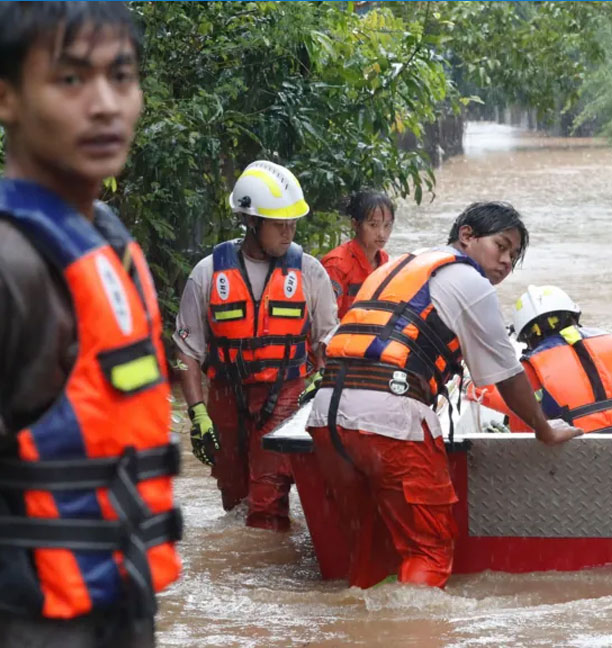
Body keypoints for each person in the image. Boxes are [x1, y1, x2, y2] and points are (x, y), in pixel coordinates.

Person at [0, 3, 181, 645]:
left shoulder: (108, 245)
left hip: (116, 614)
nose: (104, 104)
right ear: (9, 98)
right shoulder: (11, 266)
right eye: (70, 79)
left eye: (121, 77)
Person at [306, 201, 583, 589]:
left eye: (514, 256)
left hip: (326, 418)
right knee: (429, 549)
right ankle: (419, 633)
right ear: (466, 236)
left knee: (371, 544)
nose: (505, 261)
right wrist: (544, 429)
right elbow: (507, 375)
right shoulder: (472, 283)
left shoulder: (395, 266)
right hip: (391, 419)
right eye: (501, 246)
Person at [174, 160, 338, 531]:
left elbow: (329, 337)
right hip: (226, 396)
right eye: (280, 225)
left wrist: (322, 379)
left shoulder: (310, 272)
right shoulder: (207, 273)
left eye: (293, 224)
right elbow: (187, 350)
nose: (289, 233)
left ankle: (268, 566)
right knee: (233, 497)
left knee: (267, 501)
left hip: (284, 394)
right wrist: (198, 414)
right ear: (251, 221)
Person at [471, 285, 612, 435]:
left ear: (526, 336)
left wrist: (476, 389)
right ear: (574, 316)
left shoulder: (530, 369)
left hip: (574, 467)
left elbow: (525, 438)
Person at [322, 189, 394, 319]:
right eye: (373, 225)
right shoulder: (336, 265)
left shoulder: (385, 261)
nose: (382, 234)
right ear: (355, 225)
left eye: (387, 226)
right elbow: (326, 319)